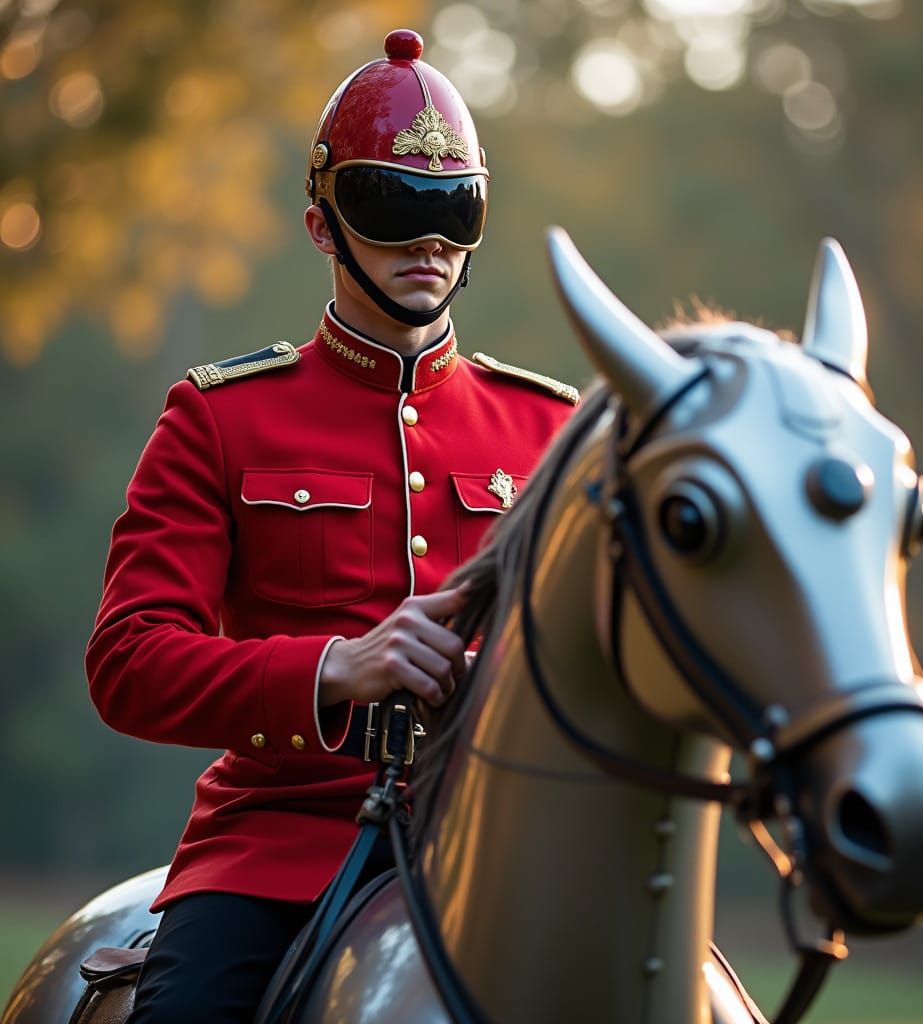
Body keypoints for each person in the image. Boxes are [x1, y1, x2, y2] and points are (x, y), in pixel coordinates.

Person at [85, 29, 578, 1022]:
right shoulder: (219, 416)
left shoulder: (552, 428)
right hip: (276, 844)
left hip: (504, 844)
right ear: (322, 223)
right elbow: (128, 663)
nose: (429, 242)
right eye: (392, 208)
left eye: (455, 209)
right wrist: (333, 669)